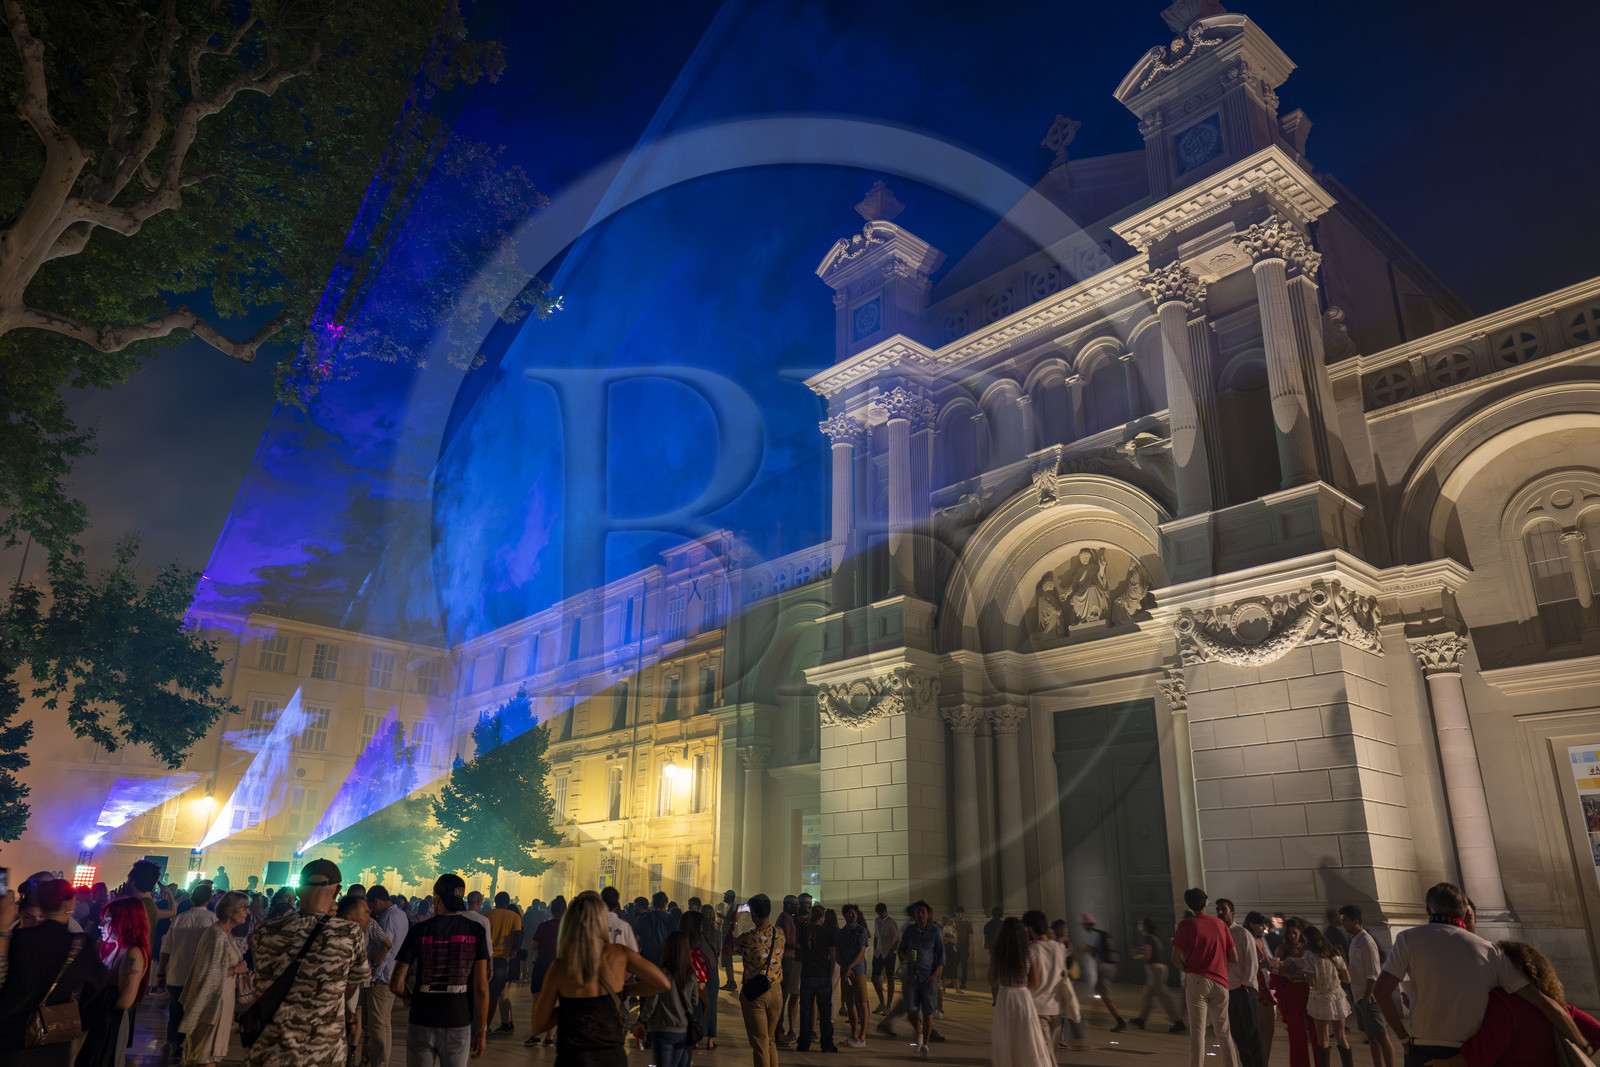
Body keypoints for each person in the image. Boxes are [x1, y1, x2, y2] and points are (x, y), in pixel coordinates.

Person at [1375, 882, 1586, 1067]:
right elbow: (1542, 1001)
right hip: (1470, 1052)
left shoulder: (1408, 939)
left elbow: (1381, 992)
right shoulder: (1490, 950)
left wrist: (1403, 1038)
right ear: (1466, 914)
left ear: (1428, 908)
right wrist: (1581, 1042)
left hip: (1423, 1046)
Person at [246, 858, 370, 1067]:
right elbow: (351, 985)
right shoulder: (348, 933)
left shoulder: (265, 931)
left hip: (270, 1049)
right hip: (323, 1052)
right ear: (338, 890)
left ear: (298, 888)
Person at [529, 890, 669, 1066]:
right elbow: (662, 982)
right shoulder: (619, 954)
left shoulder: (561, 966)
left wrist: (569, 1007)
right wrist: (625, 991)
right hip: (611, 1055)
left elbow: (538, 1025)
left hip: (573, 1056)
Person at [1423, 939, 1600, 1067]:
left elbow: (1485, 1049)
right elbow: (1596, 1031)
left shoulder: (1504, 1002)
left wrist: (1447, 1063)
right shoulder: (1556, 1006)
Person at [0, 883, 109, 1067]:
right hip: (54, 1034)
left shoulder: (20, 938)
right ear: (69, 904)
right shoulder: (79, 945)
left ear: (41, 904)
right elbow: (99, 982)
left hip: (12, 1032)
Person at [391, 874, 490, 1066]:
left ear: (436, 898)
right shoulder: (475, 930)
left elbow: (396, 983)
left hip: (422, 1019)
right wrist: (482, 1030)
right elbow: (481, 988)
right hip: (458, 1022)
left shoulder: (419, 930)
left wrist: (411, 998)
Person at [178, 890, 251, 1067]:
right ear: (229, 910)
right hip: (213, 1005)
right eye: (243, 907)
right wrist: (235, 970)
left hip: (220, 1003)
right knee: (205, 1055)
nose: (247, 912)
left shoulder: (224, 933)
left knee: (209, 1055)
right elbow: (207, 973)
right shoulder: (217, 935)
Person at [1171, 888, 1241, 1067]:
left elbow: (1175, 958)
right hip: (1220, 981)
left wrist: (1188, 969)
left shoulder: (1185, 925)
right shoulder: (1220, 925)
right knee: (1224, 1032)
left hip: (1197, 979)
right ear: (1206, 903)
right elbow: (1234, 957)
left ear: (1189, 905)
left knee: (1197, 1032)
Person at [81, 895, 151, 1067]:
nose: (101, 925)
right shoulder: (114, 948)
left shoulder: (133, 953)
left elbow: (124, 1002)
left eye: (107, 920)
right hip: (101, 1021)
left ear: (126, 921)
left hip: (111, 1023)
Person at [159, 879, 216, 1062]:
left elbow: (166, 949)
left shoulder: (178, 919)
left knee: (175, 1013)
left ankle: (172, 1043)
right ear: (209, 899)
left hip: (176, 974)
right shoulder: (213, 921)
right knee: (196, 1014)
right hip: (200, 976)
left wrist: (161, 972)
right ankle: (188, 1048)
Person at [988, 917, 1053, 1066]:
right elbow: (1035, 982)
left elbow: (991, 979)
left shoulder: (997, 952)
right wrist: (1022, 987)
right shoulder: (1028, 952)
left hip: (1005, 996)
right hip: (1022, 996)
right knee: (1027, 1036)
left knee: (1006, 1037)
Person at [1339, 905, 1395, 1067]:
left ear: (1356, 921)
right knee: (1372, 1037)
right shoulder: (1354, 940)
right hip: (1359, 995)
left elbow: (1373, 972)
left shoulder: (1366, 942)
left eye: (1346, 921)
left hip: (1368, 996)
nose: (1343, 924)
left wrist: (1368, 995)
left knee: (1382, 1036)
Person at [735, 893, 786, 1067]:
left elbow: (727, 948)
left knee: (760, 1044)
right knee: (770, 1041)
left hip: (756, 994)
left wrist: (733, 922)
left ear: (754, 914)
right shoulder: (779, 933)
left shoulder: (749, 938)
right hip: (776, 991)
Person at [637, 930, 700, 1067]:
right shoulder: (691, 973)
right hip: (682, 1029)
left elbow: (651, 1002)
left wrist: (642, 1020)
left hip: (663, 1028)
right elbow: (694, 1000)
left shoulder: (661, 973)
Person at [363, 885, 408, 1067]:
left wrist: (374, 975)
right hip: (392, 974)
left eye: (372, 907)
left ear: (377, 901)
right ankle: (380, 1061)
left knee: (378, 1024)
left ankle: (380, 1063)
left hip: (382, 977)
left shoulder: (388, 917)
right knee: (385, 1022)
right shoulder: (401, 915)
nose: (372, 911)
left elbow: (385, 948)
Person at [1218, 898, 1267, 1067]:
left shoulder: (1241, 933)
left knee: (1252, 1032)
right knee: (1238, 1034)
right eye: (1218, 909)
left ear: (1232, 912)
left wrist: (1247, 984)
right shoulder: (1219, 933)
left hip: (1243, 988)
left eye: (1223, 909)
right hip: (1228, 989)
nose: (1220, 912)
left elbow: (1251, 962)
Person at [897, 900, 945, 1059]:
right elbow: (901, 950)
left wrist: (935, 975)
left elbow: (941, 956)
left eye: (923, 912)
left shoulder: (935, 932)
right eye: (918, 912)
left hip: (928, 976)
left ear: (928, 914)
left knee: (927, 1011)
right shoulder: (910, 931)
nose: (920, 915)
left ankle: (925, 1044)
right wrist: (907, 957)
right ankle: (918, 1031)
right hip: (911, 975)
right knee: (910, 1009)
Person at [1304, 926, 1354, 1067]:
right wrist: (1334, 977)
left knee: (1323, 1040)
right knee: (1341, 1038)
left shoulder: (1309, 955)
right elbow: (1347, 978)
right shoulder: (1334, 954)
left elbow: (1312, 982)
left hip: (1320, 999)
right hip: (1337, 997)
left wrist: (1305, 975)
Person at [523, 895, 564, 1049]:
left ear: (550, 911)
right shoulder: (569, 928)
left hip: (543, 964)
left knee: (537, 1002)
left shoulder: (544, 926)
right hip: (560, 967)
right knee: (556, 1002)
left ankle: (536, 1035)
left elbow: (533, 946)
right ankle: (550, 1038)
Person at [1130, 916, 1184, 1033]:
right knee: (1147, 995)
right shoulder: (1154, 937)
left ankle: (1178, 1022)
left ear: (1145, 926)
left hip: (1155, 970)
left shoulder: (1148, 938)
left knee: (1164, 997)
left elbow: (1148, 955)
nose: (1139, 926)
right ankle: (1141, 1019)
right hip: (1158, 969)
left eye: (1141, 924)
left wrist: (1138, 953)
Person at [1022, 911, 1066, 1050]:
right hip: (1056, 1007)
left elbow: (1032, 981)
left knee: (1042, 1053)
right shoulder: (1059, 948)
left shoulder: (1031, 950)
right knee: (1051, 1052)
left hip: (1038, 1007)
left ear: (1029, 928)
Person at [1274, 919, 1315, 1067]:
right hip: (1291, 990)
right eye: (1289, 933)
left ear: (1300, 933)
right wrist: (1286, 973)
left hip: (1307, 990)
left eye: (1295, 933)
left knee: (1314, 1029)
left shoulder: (1307, 948)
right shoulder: (1282, 949)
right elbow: (1275, 968)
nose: (1292, 936)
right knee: (1296, 1032)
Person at [795, 904, 837, 1052]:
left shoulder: (803, 931)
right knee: (825, 1012)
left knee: (805, 1011)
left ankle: (803, 1043)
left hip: (807, 975)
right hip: (822, 975)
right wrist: (830, 975)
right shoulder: (828, 932)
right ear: (821, 917)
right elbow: (832, 956)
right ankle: (827, 1044)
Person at [1080, 912, 1127, 1031]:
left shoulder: (1094, 935)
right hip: (1111, 967)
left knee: (1104, 995)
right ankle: (1097, 1015)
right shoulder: (1101, 934)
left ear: (1086, 925)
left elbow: (1085, 949)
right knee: (1097, 990)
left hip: (1105, 968)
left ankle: (1119, 1021)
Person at [486, 891, 522, 1036]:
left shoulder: (488, 915)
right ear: (508, 902)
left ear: (495, 901)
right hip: (502, 958)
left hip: (487, 958)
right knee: (496, 994)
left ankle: (483, 1024)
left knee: (487, 993)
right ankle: (488, 1025)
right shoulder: (515, 917)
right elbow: (518, 935)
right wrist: (514, 950)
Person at [834, 904, 870, 1048]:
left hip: (858, 971)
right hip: (846, 973)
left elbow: (861, 951)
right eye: (850, 913)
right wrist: (845, 967)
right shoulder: (840, 934)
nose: (853, 915)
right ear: (844, 915)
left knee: (862, 1003)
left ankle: (862, 1036)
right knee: (850, 1004)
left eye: (855, 913)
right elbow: (837, 955)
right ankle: (854, 1034)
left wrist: (850, 966)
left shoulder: (861, 931)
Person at [1244, 912, 1278, 1063]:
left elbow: (1269, 963)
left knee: (1269, 1028)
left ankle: (1265, 1060)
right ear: (1252, 924)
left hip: (1263, 982)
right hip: (1254, 984)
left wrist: (1279, 964)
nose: (1264, 928)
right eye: (1261, 925)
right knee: (1260, 1027)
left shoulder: (1260, 941)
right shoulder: (1247, 940)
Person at [690, 904, 722, 1050]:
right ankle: (710, 1040)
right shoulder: (717, 933)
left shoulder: (696, 934)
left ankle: (696, 1039)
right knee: (712, 1006)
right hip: (713, 972)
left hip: (699, 972)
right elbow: (719, 952)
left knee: (697, 1004)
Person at [775, 895, 801, 1045]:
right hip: (786, 958)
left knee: (784, 997)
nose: (798, 907)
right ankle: (778, 1032)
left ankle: (779, 1030)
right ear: (788, 905)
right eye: (796, 905)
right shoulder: (785, 919)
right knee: (783, 997)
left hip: (787, 958)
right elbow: (787, 941)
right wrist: (802, 946)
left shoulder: (786, 917)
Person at [871, 901, 899, 1015]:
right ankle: (882, 1002)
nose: (880, 916)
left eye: (882, 913)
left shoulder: (891, 921)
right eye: (879, 914)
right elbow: (876, 936)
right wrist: (875, 950)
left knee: (890, 978)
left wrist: (891, 952)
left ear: (885, 912)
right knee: (874, 977)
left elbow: (896, 939)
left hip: (889, 952)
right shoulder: (877, 920)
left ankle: (888, 1006)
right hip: (878, 952)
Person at [634, 891, 675, 967]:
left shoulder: (644, 919)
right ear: (665, 903)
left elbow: (639, 942)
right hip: (664, 958)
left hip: (647, 959)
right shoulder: (670, 918)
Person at [600, 886, 639, 951]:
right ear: (617, 906)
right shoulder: (624, 926)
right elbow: (633, 950)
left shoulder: (593, 925)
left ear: (601, 903)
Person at [720, 891, 740, 992]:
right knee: (726, 959)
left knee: (727, 959)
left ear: (729, 897)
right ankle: (730, 982)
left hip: (729, 936)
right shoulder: (731, 906)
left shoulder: (733, 906)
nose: (724, 897)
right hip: (728, 935)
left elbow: (730, 918)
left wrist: (720, 916)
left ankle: (731, 982)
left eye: (725, 896)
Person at [950, 906, 972, 992]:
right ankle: (953, 982)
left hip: (965, 948)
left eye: (960, 913)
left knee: (964, 965)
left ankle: (963, 983)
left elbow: (970, 935)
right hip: (956, 947)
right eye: (957, 914)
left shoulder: (967, 923)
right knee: (954, 965)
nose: (959, 915)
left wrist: (970, 947)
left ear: (963, 913)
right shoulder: (955, 923)